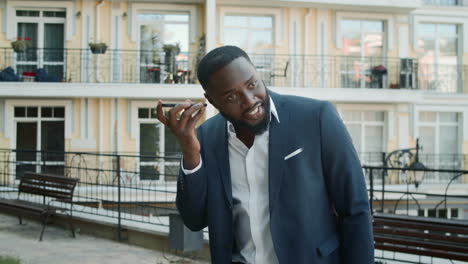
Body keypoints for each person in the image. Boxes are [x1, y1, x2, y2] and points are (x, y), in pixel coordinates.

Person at [156, 46, 374, 264]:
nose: (250, 101)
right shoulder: (205, 137)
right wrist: (190, 152)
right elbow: (194, 220)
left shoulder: (316, 118)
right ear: (211, 100)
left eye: (252, 84)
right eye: (232, 96)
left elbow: (355, 208)